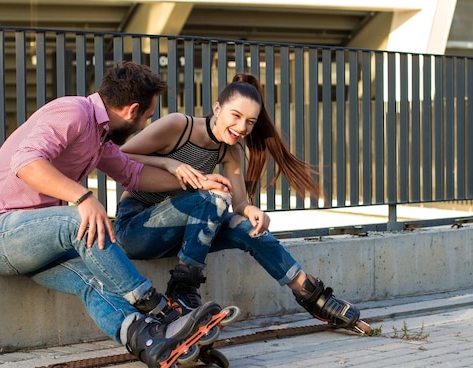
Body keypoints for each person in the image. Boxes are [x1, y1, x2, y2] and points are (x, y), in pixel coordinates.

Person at [0, 61, 233, 368]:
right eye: (146, 116)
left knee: (91, 281)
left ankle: (151, 341)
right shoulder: (72, 112)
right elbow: (26, 162)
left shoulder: (100, 137)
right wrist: (83, 198)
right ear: (132, 110)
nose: (145, 124)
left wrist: (198, 180)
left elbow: (134, 174)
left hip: (35, 244)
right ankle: (160, 309)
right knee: (80, 220)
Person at [114, 73, 370, 334]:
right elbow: (117, 156)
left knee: (248, 227)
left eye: (250, 122)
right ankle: (182, 291)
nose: (242, 127)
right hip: (136, 227)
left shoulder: (230, 150)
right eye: (235, 116)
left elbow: (238, 203)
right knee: (213, 197)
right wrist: (172, 164)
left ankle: (310, 294)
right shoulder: (180, 126)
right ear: (217, 108)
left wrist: (250, 210)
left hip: (181, 234)